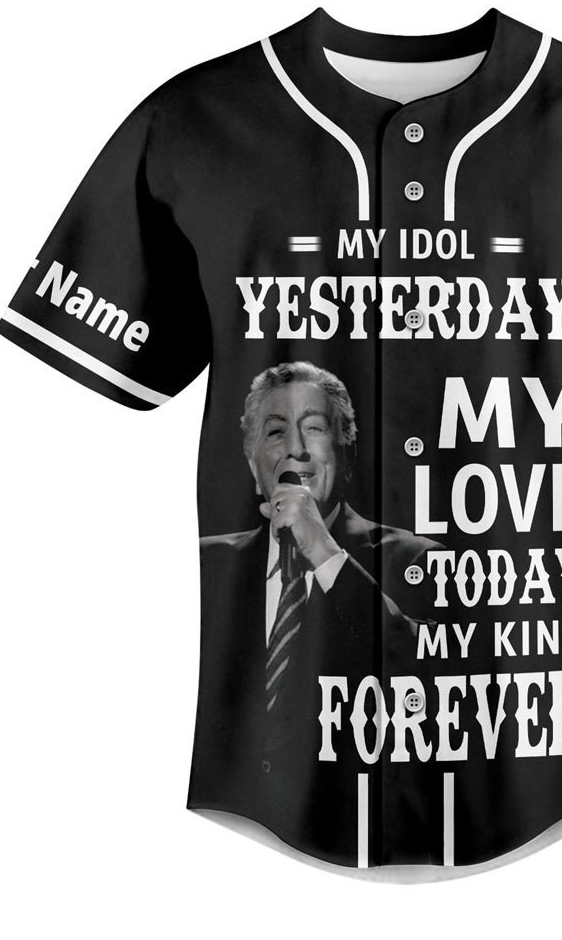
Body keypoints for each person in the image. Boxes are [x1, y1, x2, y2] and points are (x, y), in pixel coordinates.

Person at [192, 360, 446, 864]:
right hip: (219, 836)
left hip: (363, 835)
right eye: (275, 432)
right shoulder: (207, 562)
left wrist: (323, 550)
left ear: (346, 454)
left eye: (314, 428)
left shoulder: (417, 559)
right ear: (252, 463)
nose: (296, 449)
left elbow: (425, 671)